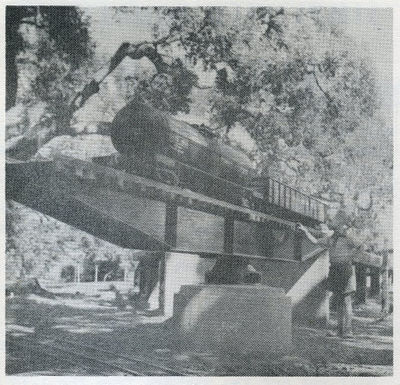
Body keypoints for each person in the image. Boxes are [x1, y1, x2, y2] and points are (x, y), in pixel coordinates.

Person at [296, 219, 360, 338]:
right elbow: (315, 241)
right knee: (339, 301)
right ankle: (340, 330)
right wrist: (305, 231)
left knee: (346, 301)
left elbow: (361, 246)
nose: (340, 229)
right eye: (338, 227)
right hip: (335, 269)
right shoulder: (331, 239)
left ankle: (348, 330)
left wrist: (352, 257)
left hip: (345, 269)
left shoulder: (349, 239)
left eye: (342, 227)